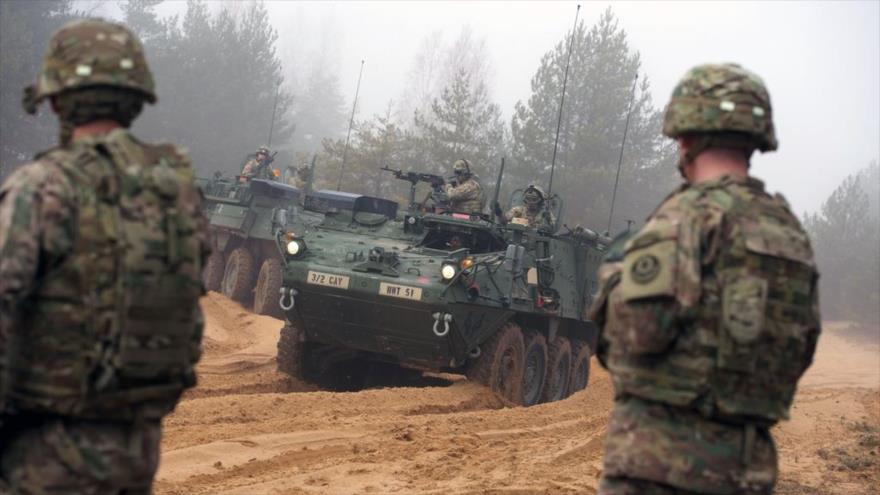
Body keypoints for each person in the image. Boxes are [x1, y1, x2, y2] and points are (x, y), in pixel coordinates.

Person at [590, 63, 820, 495]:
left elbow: (632, 338)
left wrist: (615, 276)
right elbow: (801, 348)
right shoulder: (789, 234)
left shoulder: (685, 218)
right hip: (749, 472)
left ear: (686, 137)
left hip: (659, 467)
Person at [0, 18, 208, 494]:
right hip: (136, 452)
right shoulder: (177, 193)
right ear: (136, 98)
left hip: (44, 456)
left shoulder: (44, 187)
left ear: (56, 98)